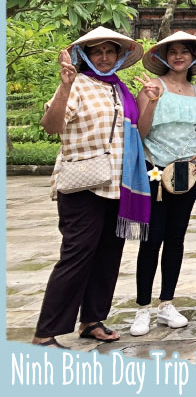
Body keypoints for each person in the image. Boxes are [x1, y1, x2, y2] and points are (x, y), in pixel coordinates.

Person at [32, 27, 145, 348]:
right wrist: (65, 87)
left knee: (109, 255)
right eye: (98, 52)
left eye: (111, 51)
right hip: (83, 185)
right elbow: (52, 126)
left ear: (119, 56)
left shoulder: (120, 88)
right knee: (76, 256)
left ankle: (92, 320)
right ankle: (46, 332)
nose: (105, 57)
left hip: (118, 185)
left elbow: (137, 133)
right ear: (85, 56)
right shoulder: (77, 84)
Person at [131, 31, 196, 336]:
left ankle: (167, 303)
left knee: (176, 239)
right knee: (151, 240)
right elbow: (139, 133)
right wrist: (152, 101)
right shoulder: (154, 87)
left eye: (184, 52)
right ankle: (142, 308)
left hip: (186, 173)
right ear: (163, 57)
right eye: (173, 52)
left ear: (194, 58)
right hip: (154, 169)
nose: (179, 56)